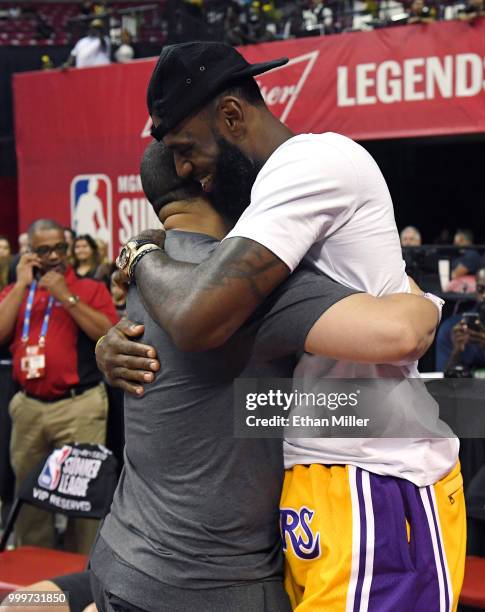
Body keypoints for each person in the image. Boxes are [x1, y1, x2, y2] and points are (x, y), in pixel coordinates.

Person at [116, 42, 464, 609]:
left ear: (231, 116)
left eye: (185, 148)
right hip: (317, 462)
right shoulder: (261, 202)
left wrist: (136, 255)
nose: (184, 170)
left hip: (376, 473)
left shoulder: (313, 163)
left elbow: (198, 318)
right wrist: (123, 326)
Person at [0, 219, 118, 554]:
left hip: (78, 406)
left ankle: (85, 581)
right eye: (44, 250)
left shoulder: (90, 287)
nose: (53, 255)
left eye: (59, 248)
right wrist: (22, 285)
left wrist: (65, 296)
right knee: (29, 503)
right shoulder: (17, 290)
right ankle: (35, 581)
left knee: (84, 500)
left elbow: (107, 332)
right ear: (30, 252)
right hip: (27, 408)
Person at [436, 268, 485, 373]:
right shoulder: (450, 328)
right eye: (481, 289)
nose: (484, 296)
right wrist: (456, 352)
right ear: (476, 290)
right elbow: (442, 382)